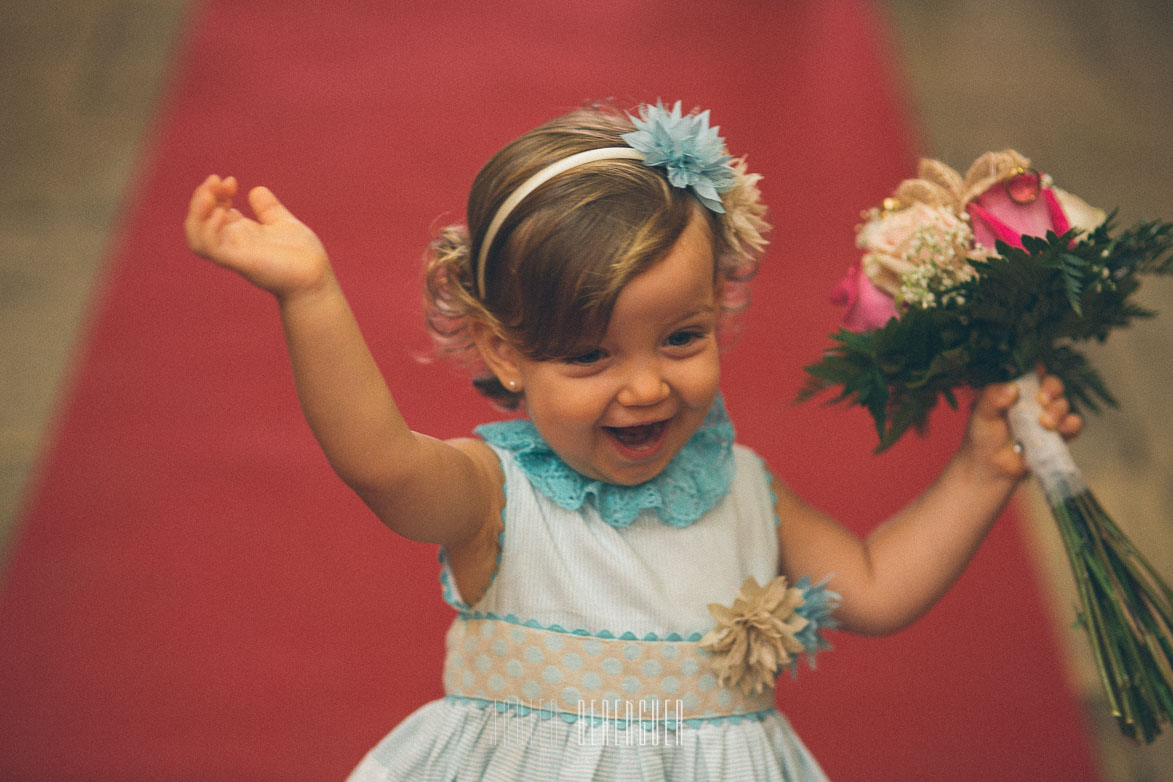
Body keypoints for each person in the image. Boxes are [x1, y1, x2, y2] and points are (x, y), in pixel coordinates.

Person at [184, 100, 1081, 781]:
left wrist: (979, 469)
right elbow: (378, 461)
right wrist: (308, 295)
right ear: (505, 351)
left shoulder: (741, 487)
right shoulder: (496, 495)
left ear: (719, 310)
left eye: (681, 338)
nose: (646, 385)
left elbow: (877, 588)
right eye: (588, 354)